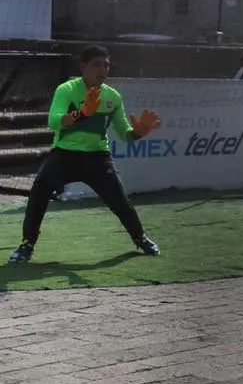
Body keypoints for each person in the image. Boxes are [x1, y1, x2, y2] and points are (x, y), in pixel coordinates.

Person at [9, 45, 162, 263]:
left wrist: (138, 133)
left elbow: (125, 133)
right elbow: (54, 121)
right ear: (83, 66)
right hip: (64, 155)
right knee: (39, 193)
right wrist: (81, 114)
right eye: (96, 64)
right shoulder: (67, 90)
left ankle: (141, 238)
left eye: (106, 65)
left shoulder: (113, 97)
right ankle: (27, 244)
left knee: (120, 201)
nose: (102, 69)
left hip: (97, 158)